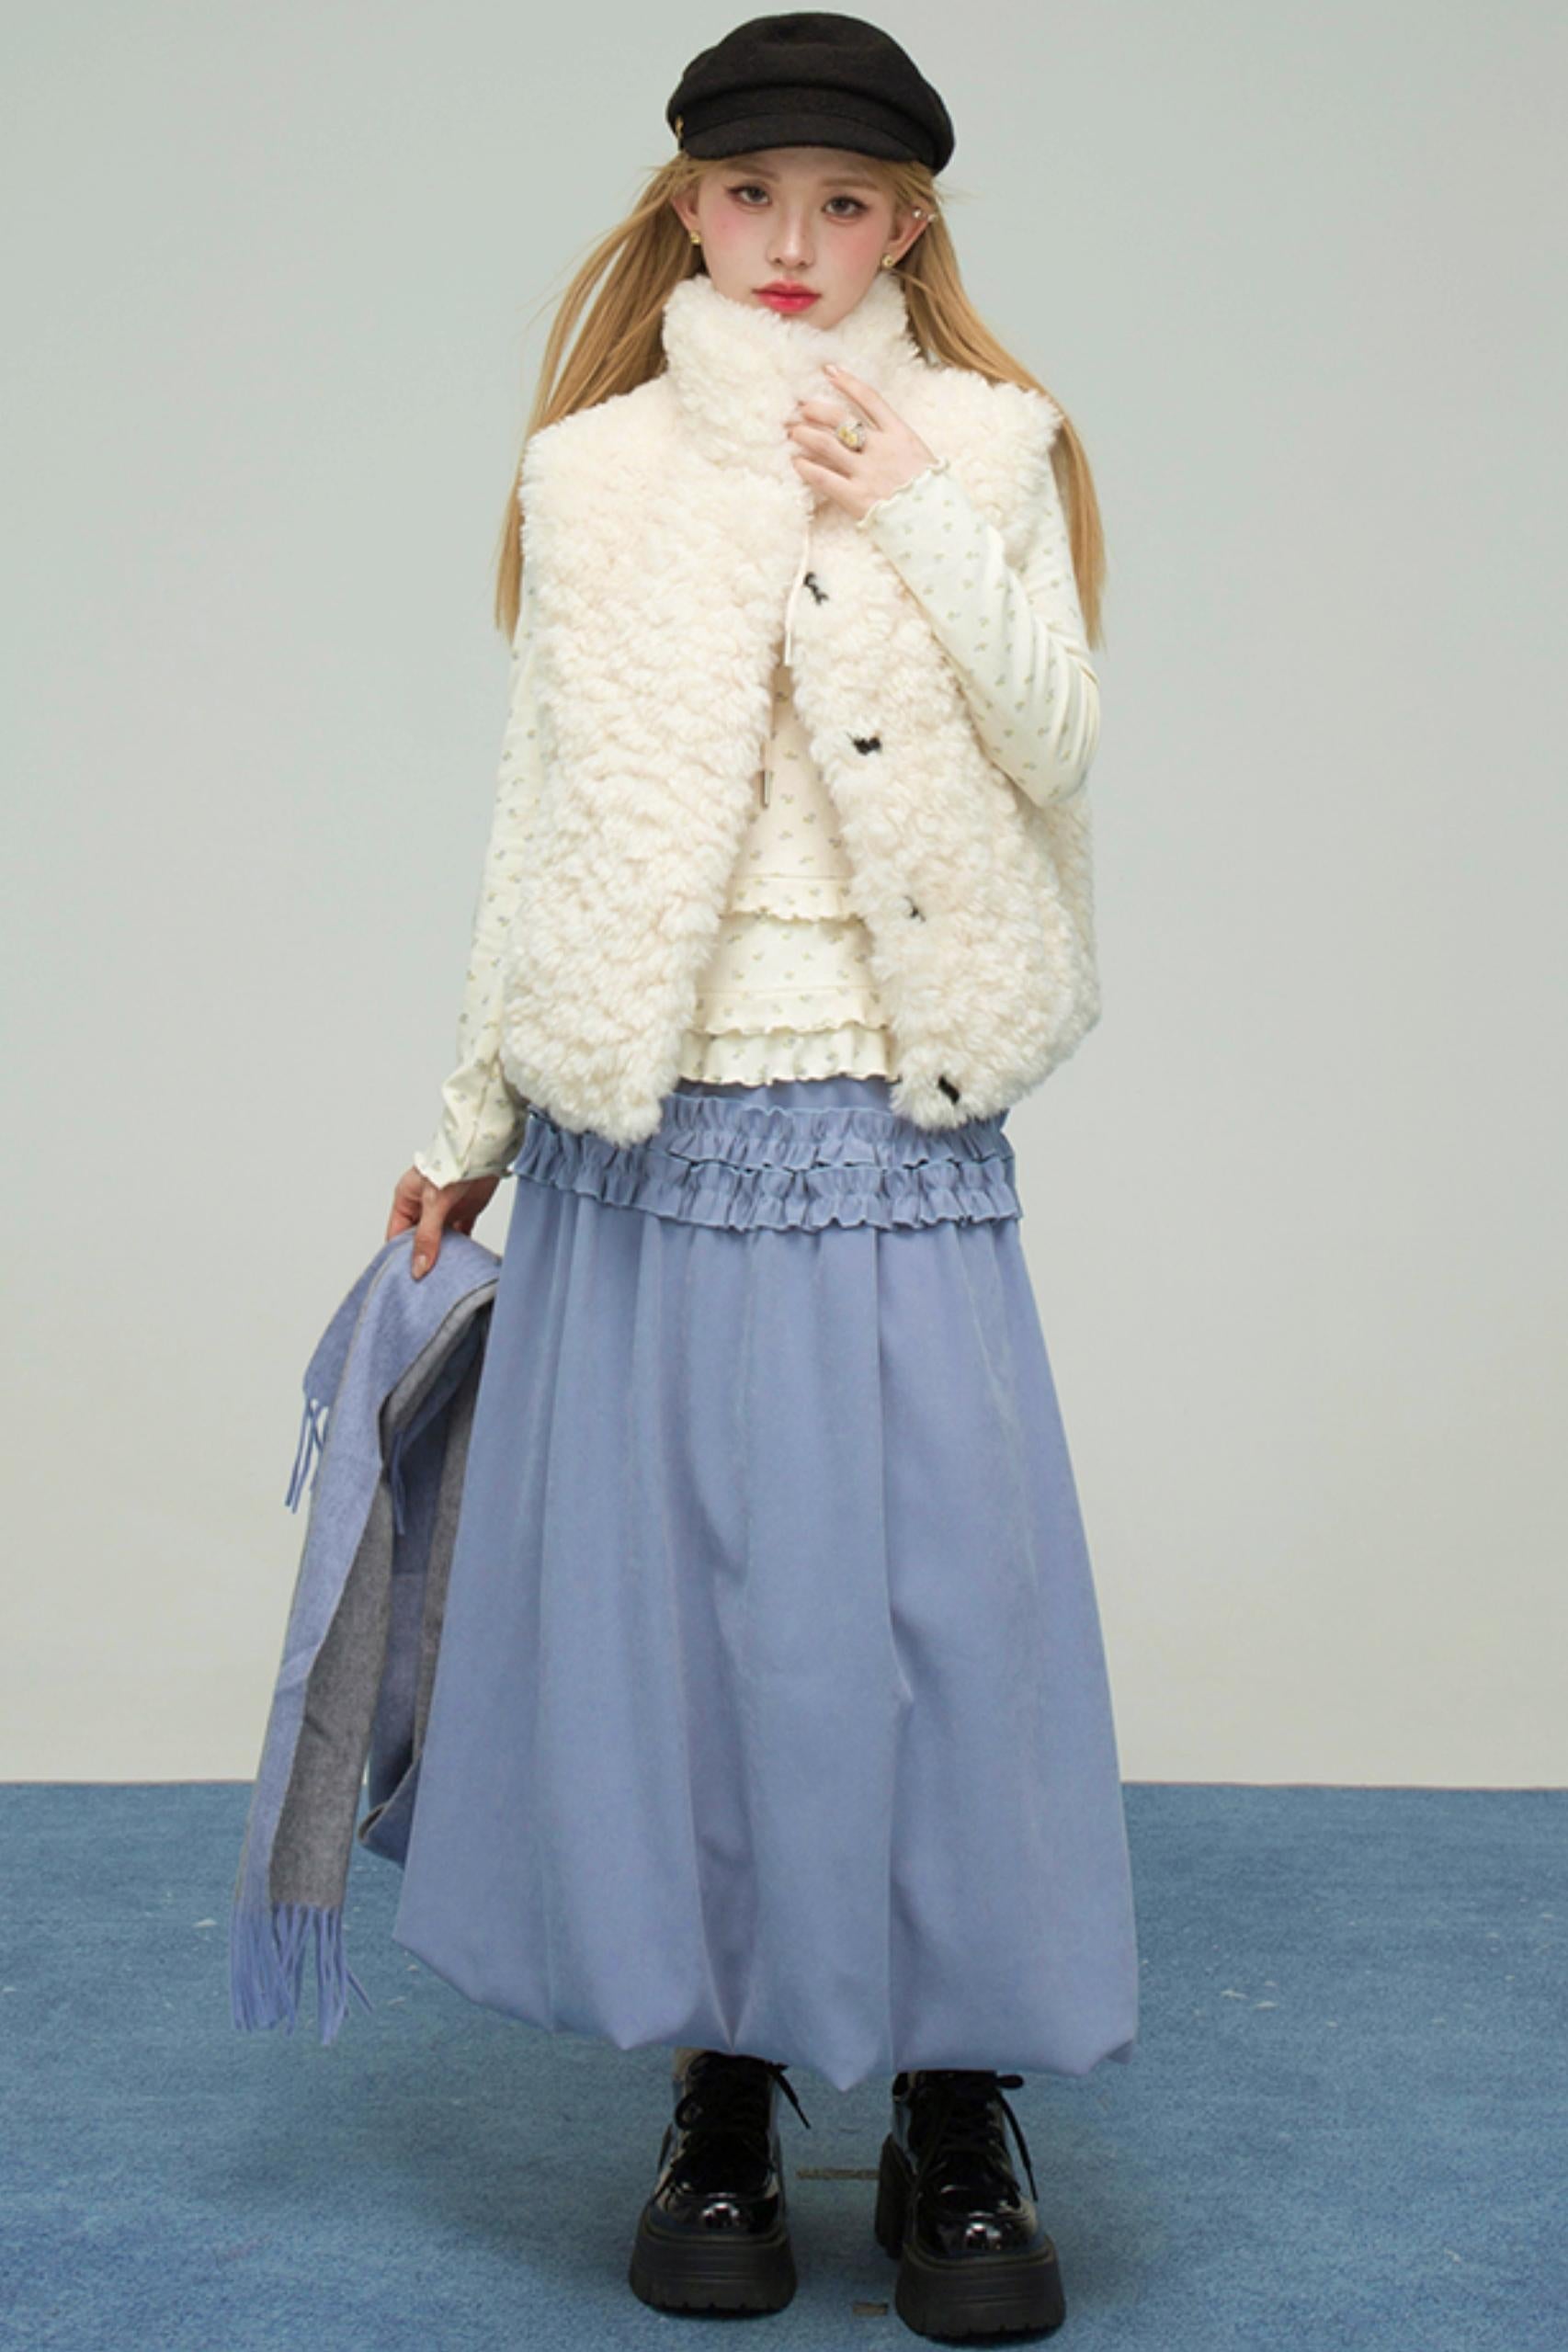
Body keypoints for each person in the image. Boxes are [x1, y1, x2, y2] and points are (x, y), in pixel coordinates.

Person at [382, 12, 1138, 2339]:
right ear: (684, 204)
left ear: (908, 223)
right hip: (653, 1121)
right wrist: (463, 1122)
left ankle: (954, 2100)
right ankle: (716, 2088)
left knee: (937, 1616)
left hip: (892, 1111)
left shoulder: (989, 438)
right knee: (687, 1622)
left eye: (842, 202)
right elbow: (541, 809)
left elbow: (1057, 733)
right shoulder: (595, 472)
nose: (791, 241)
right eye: (748, 195)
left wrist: (902, 489)